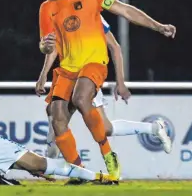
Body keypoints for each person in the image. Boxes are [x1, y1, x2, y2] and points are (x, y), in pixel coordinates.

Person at [38, 0, 176, 180]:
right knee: (58, 117)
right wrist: (43, 63)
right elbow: (48, 45)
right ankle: (78, 171)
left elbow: (120, 28)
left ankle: (105, 155)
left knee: (80, 100)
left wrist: (158, 27)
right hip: (68, 70)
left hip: (93, 66)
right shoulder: (47, 8)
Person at [35, 16, 171, 184]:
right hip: (68, 74)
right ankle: (56, 165)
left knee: (102, 127)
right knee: (55, 117)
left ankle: (153, 128)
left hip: (87, 76)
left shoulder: (90, 12)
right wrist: (43, 75)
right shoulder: (57, 13)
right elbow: (53, 47)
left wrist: (120, 82)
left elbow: (114, 46)